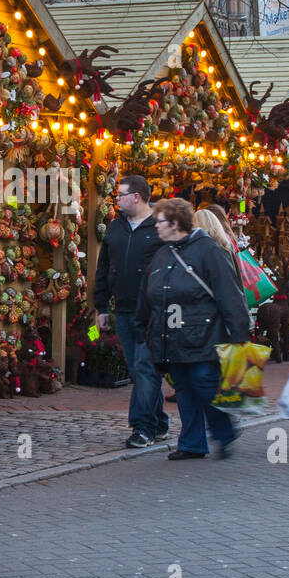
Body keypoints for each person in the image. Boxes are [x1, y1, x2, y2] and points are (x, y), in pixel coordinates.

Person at [137, 197, 250, 460]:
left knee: (204, 383)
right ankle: (192, 442)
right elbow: (150, 291)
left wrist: (239, 334)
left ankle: (224, 431)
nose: (156, 226)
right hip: (171, 336)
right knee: (185, 389)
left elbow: (229, 295)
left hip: (203, 335)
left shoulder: (208, 251)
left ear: (175, 223)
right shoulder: (162, 253)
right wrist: (143, 324)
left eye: (160, 221)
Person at [94, 175, 170, 449]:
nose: (117, 198)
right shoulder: (116, 227)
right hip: (124, 310)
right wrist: (101, 306)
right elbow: (103, 267)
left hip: (151, 313)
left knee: (144, 367)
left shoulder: (159, 227)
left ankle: (143, 428)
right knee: (140, 371)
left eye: (121, 194)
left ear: (136, 196)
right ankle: (159, 422)